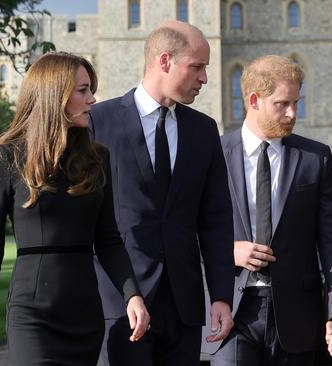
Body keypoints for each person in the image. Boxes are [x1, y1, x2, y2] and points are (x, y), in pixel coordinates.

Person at [0, 52, 149, 366]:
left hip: (84, 315)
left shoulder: (97, 158)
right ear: (54, 94)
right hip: (32, 315)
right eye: (83, 90)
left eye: (91, 89)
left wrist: (132, 294)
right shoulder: (6, 157)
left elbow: (108, 238)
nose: (93, 98)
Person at [88, 21, 235, 366]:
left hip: (184, 307)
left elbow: (216, 219)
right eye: (197, 67)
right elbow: (85, 216)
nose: (205, 79)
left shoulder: (203, 130)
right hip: (120, 303)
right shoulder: (99, 122)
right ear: (165, 61)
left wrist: (222, 297)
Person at [202, 55, 332, 366]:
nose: (293, 113)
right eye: (283, 104)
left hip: (298, 314)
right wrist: (226, 251)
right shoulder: (212, 153)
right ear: (254, 100)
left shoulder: (316, 158)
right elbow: (185, 226)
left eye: (296, 102)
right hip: (230, 309)